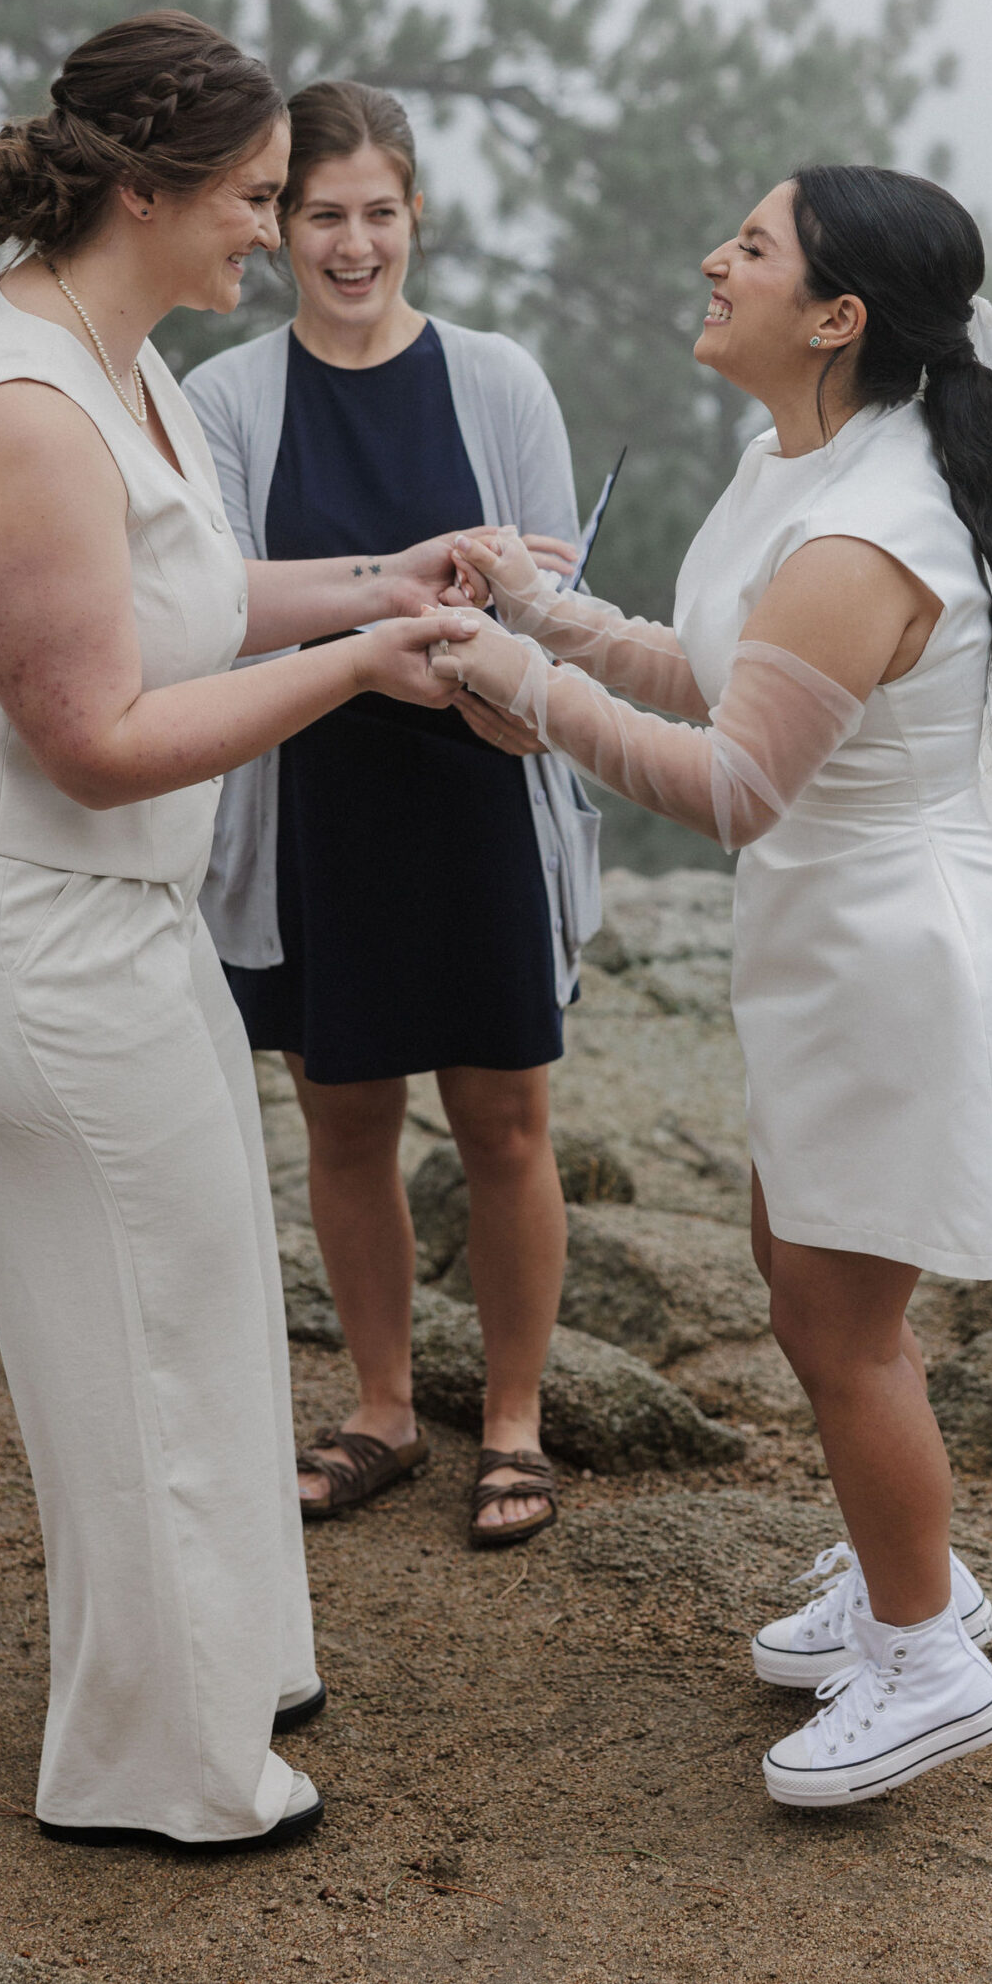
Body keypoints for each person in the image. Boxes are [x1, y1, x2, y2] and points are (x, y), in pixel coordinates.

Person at [0, 12, 479, 1850]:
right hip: (10, 922)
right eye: (259, 200)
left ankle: (229, 1664)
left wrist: (385, 576)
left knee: (197, 1294)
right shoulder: (24, 413)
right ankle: (156, 1770)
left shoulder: (123, 363)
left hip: (104, 916)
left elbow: (182, 598)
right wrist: (364, 670)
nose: (276, 237)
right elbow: (98, 738)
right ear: (144, 189)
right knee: (133, 1316)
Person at [438, 164, 992, 1806]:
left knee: (843, 1322)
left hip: (899, 946)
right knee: (794, 1263)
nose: (713, 260)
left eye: (749, 249)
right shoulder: (798, 464)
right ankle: (913, 1572)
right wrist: (560, 618)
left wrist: (524, 684)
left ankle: (927, 1655)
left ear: (837, 316)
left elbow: (740, 783)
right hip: (831, 936)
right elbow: (730, 673)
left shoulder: (867, 529)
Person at [185, 78, 600, 1549]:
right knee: (343, 1114)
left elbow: (561, 601)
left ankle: (514, 1423)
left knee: (506, 1117)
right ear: (281, 223)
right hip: (314, 796)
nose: (352, 246)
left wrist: (510, 653)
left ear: (416, 214)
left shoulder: (497, 378)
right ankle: (379, 1410)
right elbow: (219, 616)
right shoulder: (225, 399)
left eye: (378, 214)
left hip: (480, 777)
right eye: (320, 216)